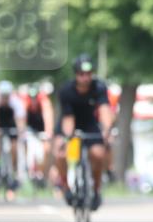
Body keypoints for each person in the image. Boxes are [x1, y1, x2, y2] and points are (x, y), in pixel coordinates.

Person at [54, 54, 116, 211]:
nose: (85, 78)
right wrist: (67, 138)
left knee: (98, 154)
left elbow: (104, 110)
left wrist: (107, 130)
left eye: (88, 74)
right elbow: (68, 119)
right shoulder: (66, 91)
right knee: (61, 154)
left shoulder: (99, 87)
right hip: (69, 124)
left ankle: (95, 190)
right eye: (82, 74)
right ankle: (66, 188)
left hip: (90, 124)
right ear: (76, 74)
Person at [0, 80, 27, 200]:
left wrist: (20, 132)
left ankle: (15, 171)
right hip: (0, 126)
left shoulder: (16, 103)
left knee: (14, 147)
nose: (5, 98)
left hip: (12, 126)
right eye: (3, 96)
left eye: (7, 96)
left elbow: (20, 122)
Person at [21, 83, 55, 186]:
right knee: (29, 151)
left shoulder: (44, 101)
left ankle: (42, 174)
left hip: (41, 129)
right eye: (32, 97)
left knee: (45, 151)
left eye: (35, 97)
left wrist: (48, 134)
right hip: (30, 129)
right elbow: (22, 119)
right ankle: (28, 173)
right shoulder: (25, 101)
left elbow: (48, 118)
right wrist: (22, 133)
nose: (33, 100)